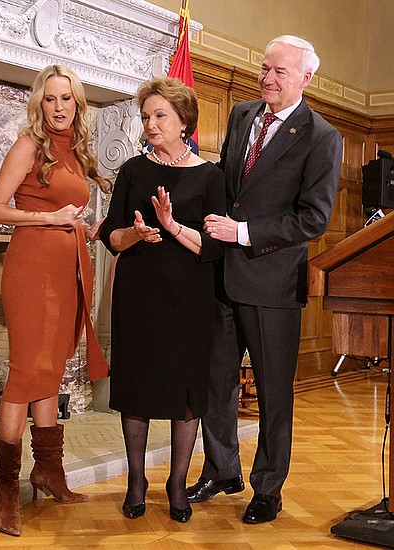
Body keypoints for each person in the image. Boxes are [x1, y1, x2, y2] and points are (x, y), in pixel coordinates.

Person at [190, 35, 342, 524]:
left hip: (274, 284)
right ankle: (222, 470)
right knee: (215, 383)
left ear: (305, 78)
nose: (268, 78)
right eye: (264, 69)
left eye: (280, 72)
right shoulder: (240, 115)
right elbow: (225, 183)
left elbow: (313, 220)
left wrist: (244, 232)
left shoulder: (322, 137)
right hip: (221, 276)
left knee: (274, 395)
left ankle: (267, 489)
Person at [0, 65, 110, 536]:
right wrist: (53, 219)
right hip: (32, 270)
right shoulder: (28, 146)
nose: (59, 107)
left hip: (69, 270)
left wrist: (82, 226)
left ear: (77, 103)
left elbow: (67, 211)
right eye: (51, 99)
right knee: (26, 371)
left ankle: (49, 471)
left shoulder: (76, 154)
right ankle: (6, 490)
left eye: (67, 99)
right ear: (40, 103)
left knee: (52, 369)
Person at [99, 77, 225, 523]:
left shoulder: (211, 175)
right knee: (137, 389)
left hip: (189, 299)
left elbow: (214, 247)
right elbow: (109, 236)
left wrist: (171, 227)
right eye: (146, 116)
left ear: (184, 121)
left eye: (160, 116)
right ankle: (137, 480)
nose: (150, 124)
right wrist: (135, 234)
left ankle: (176, 483)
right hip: (138, 296)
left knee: (185, 394)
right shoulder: (133, 171)